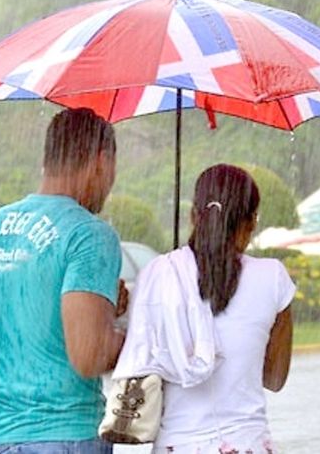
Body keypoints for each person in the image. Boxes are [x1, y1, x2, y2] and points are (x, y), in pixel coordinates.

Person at [0, 108, 127, 454]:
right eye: (112, 170)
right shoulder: (88, 234)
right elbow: (88, 355)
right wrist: (148, 335)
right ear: (101, 161)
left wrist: (105, 310)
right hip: (60, 432)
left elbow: (24, 319)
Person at [113, 164, 295, 454]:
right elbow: (274, 378)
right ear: (251, 222)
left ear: (193, 216)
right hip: (247, 444)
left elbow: (140, 356)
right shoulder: (273, 278)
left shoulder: (161, 275)